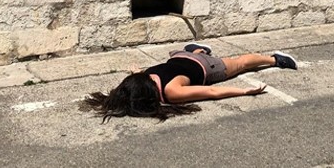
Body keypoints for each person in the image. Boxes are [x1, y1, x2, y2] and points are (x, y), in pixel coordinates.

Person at [81, 43, 298, 123]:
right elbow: (137, 77)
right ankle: (193, 48)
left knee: (240, 63)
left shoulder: (171, 92)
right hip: (178, 56)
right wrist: (136, 71)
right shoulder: (144, 76)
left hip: (206, 66)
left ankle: (274, 59)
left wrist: (244, 92)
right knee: (188, 55)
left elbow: (211, 91)